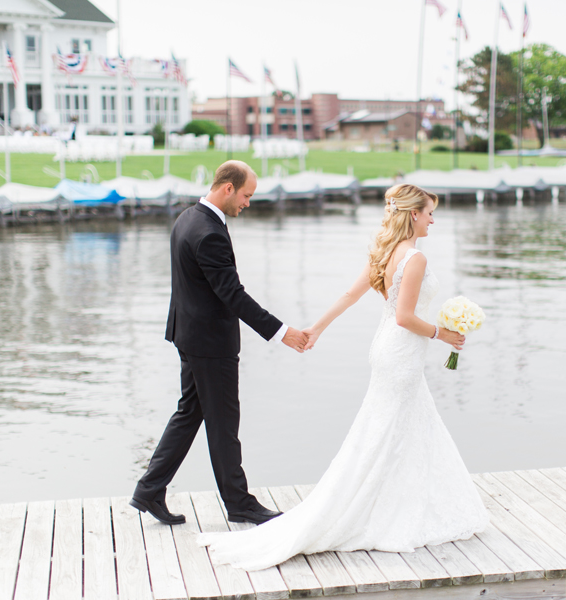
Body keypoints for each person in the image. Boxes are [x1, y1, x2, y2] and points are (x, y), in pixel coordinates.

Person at [199, 183, 488, 571]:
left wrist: (315, 329)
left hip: (387, 350)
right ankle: (375, 512)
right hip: (401, 353)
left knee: (391, 430)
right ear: (413, 214)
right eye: (430, 213)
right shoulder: (414, 258)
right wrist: (443, 334)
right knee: (389, 432)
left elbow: (349, 296)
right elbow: (405, 317)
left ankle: (393, 503)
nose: (433, 221)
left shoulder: (385, 252)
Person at [130, 160, 309, 526]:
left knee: (189, 414)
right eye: (246, 195)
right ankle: (239, 503)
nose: (248, 203)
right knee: (224, 423)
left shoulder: (188, 218)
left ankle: (149, 490)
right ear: (228, 188)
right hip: (210, 343)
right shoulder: (209, 232)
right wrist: (281, 332)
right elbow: (232, 294)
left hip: (188, 334)